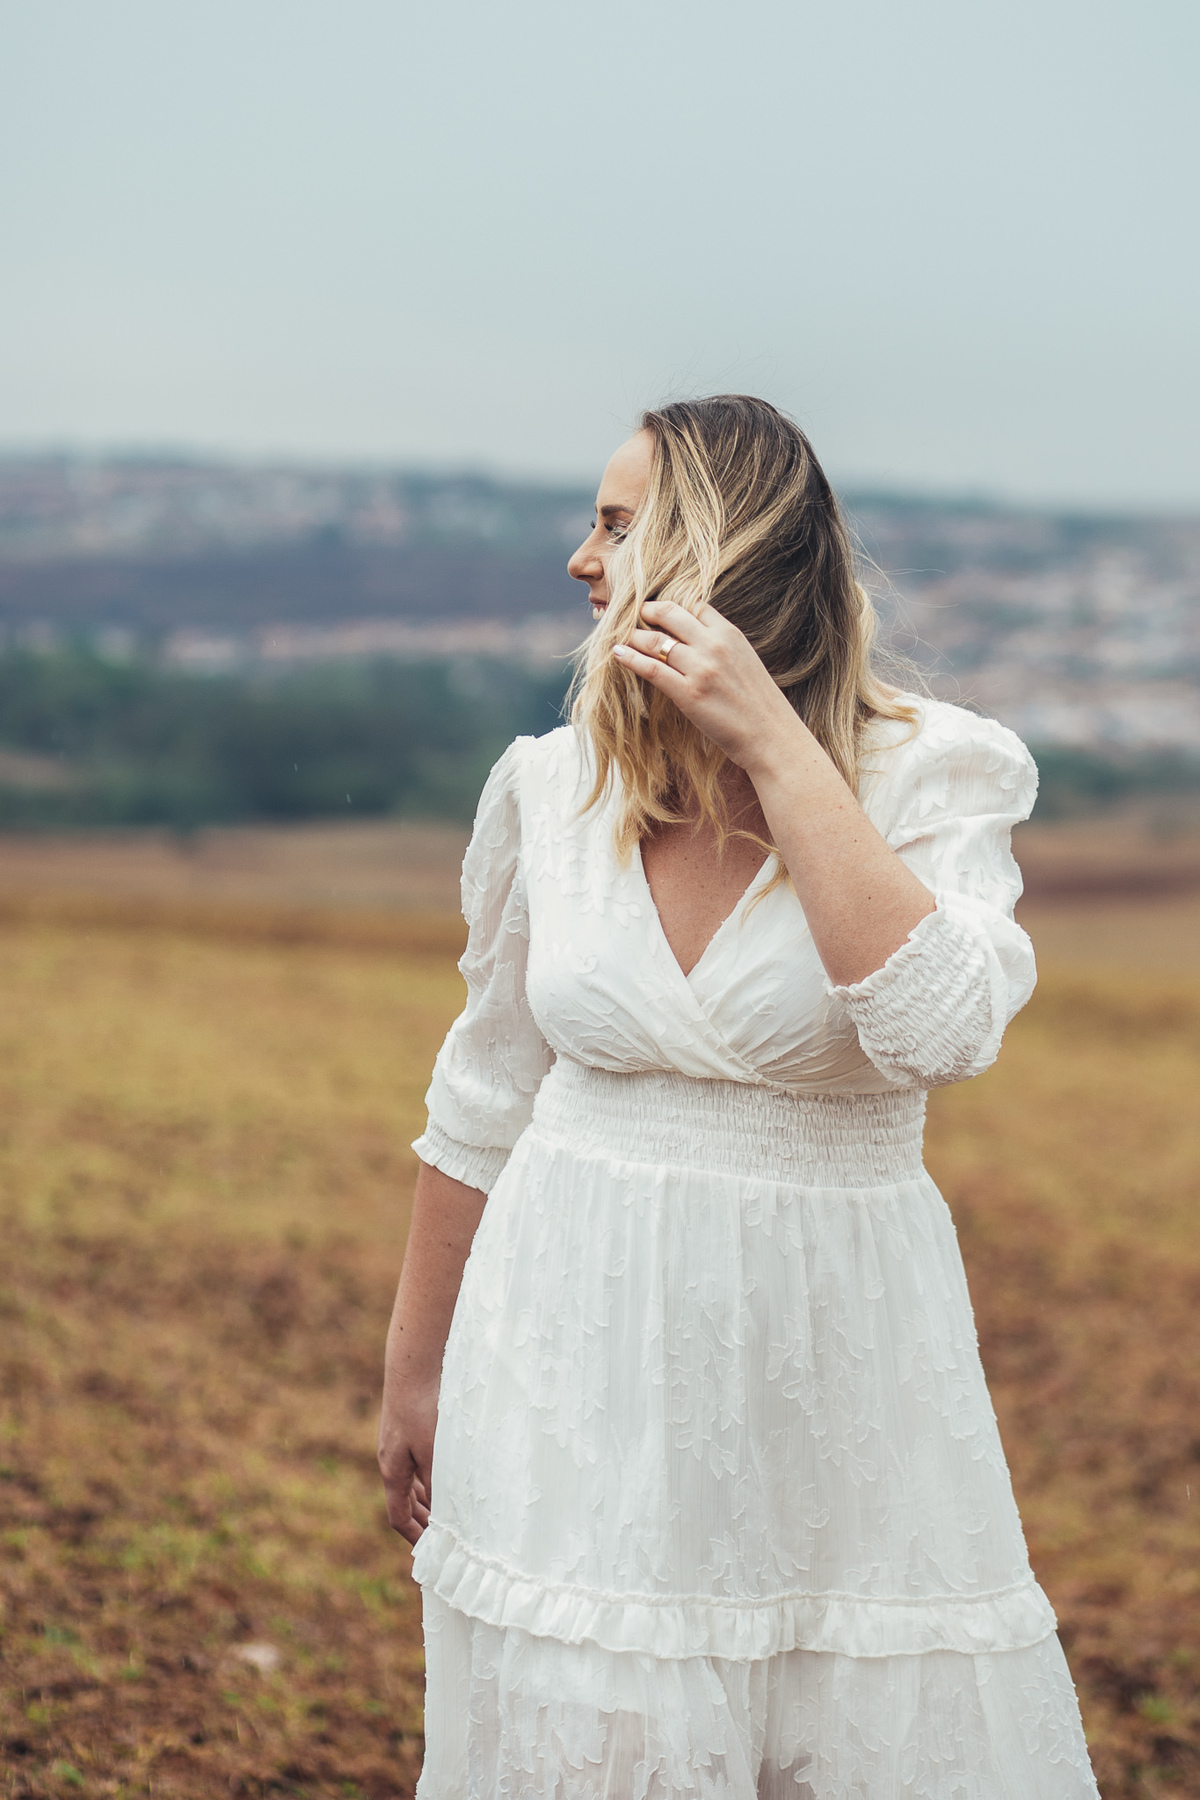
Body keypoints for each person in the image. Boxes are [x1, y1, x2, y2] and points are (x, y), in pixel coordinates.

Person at [378, 395, 1099, 1798]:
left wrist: (776, 746)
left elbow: (941, 1028)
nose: (582, 560)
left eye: (617, 525)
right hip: (571, 1354)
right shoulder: (553, 786)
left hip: (838, 1379)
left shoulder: (936, 770)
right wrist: (416, 1369)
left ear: (721, 552)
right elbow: (482, 1091)